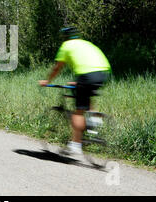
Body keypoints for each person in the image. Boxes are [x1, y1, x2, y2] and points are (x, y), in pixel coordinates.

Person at [39, 27, 111, 156]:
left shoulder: (66, 46)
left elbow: (57, 68)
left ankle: (76, 145)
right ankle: (94, 120)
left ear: (65, 37)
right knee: (85, 92)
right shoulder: (86, 43)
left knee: (78, 112)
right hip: (103, 73)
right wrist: (79, 83)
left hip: (86, 75)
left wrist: (47, 81)